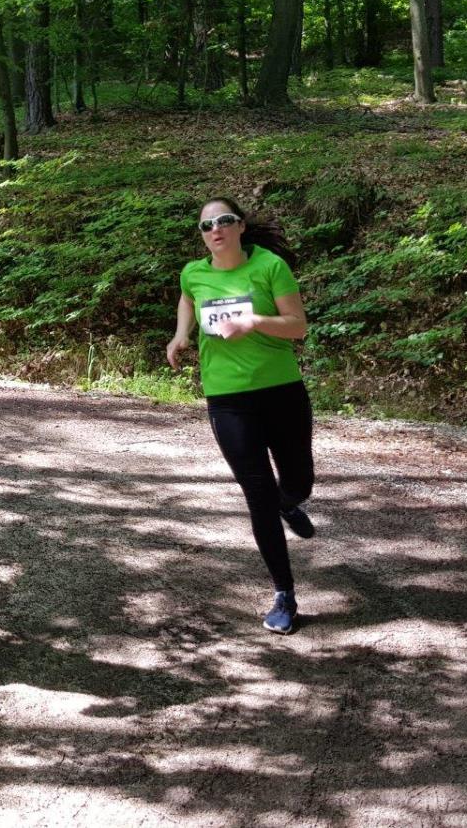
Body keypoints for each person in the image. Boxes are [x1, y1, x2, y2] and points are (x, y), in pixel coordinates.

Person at [166, 196, 316, 635]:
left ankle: (288, 502)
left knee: (299, 482)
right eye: (206, 225)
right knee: (258, 495)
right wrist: (180, 334)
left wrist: (254, 321)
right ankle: (284, 594)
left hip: (281, 392)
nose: (215, 229)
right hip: (227, 398)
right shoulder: (194, 273)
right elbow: (187, 299)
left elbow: (298, 325)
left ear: (241, 226)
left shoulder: (269, 267)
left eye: (224, 221)